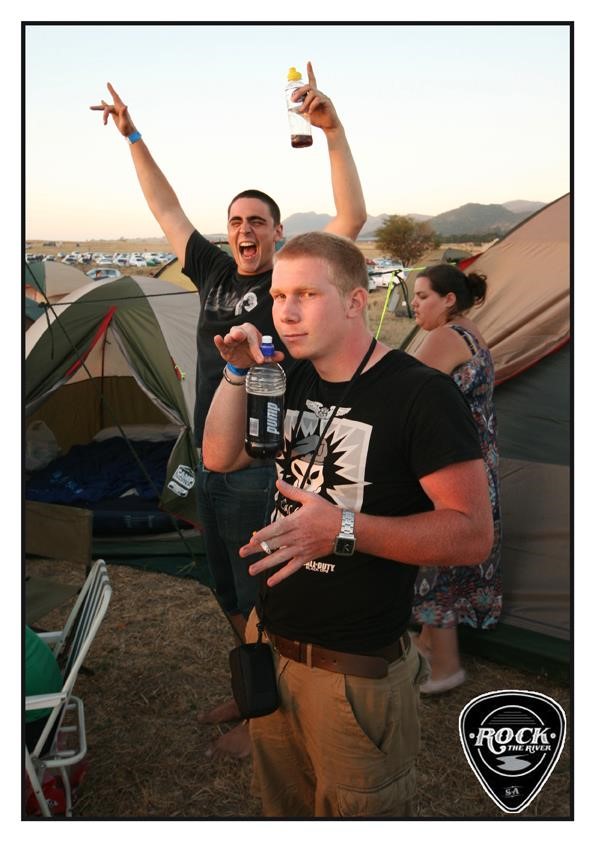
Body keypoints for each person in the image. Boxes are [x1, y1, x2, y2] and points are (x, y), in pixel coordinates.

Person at [91, 66, 366, 758]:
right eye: (236, 222)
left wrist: (333, 134)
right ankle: (251, 690)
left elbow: (351, 220)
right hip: (207, 454)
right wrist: (132, 136)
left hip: (261, 463)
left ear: (278, 233)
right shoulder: (212, 271)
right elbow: (165, 208)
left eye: (257, 222)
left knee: (260, 592)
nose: (244, 230)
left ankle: (266, 718)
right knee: (224, 588)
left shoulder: (289, 279)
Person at [202, 232, 493, 817]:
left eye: (306, 295)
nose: (286, 312)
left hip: (354, 673)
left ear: (357, 301)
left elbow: (471, 534)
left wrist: (343, 528)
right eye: (279, 296)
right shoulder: (290, 376)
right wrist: (236, 372)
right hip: (271, 645)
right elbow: (219, 456)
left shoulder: (420, 394)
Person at [409, 264, 502, 694]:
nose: (414, 304)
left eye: (423, 296)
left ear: (448, 300)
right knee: (451, 554)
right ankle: (429, 643)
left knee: (436, 553)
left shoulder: (444, 336)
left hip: (450, 464)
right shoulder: (471, 331)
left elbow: (404, 391)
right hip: (479, 460)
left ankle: (446, 666)